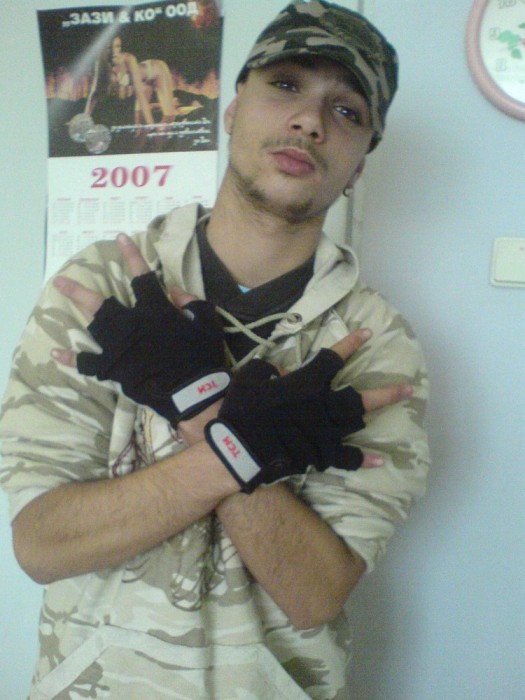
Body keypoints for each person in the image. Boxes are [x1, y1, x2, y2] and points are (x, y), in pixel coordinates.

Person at [0, 1, 430, 698]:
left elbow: (315, 593)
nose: (310, 122)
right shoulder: (102, 289)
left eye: (347, 111)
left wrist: (198, 404)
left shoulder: (374, 347)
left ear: (358, 167)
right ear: (232, 110)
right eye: (285, 85)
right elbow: (43, 544)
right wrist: (238, 440)